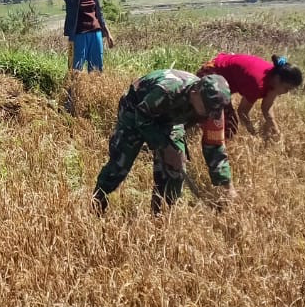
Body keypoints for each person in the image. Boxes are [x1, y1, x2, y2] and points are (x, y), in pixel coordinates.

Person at [92, 68, 234, 215]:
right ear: (195, 93)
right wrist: (165, 146)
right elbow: (141, 117)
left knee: (175, 171)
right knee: (120, 164)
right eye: (207, 110)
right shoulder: (168, 90)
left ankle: (161, 215)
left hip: (170, 120)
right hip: (136, 110)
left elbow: (215, 146)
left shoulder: (214, 107)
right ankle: (97, 204)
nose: (210, 116)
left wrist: (226, 184)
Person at [196, 53, 303, 142]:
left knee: (225, 123)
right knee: (228, 127)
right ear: (278, 79)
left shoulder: (274, 78)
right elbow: (242, 112)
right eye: (287, 88)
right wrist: (254, 133)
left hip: (222, 76)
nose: (286, 92)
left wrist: (276, 131)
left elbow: (266, 108)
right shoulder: (257, 84)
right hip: (210, 74)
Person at [62, 0, 115, 72]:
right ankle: (74, 89)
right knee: (74, 68)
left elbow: (99, 14)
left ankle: (93, 89)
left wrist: (108, 33)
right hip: (77, 35)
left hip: (95, 33)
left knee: (97, 68)